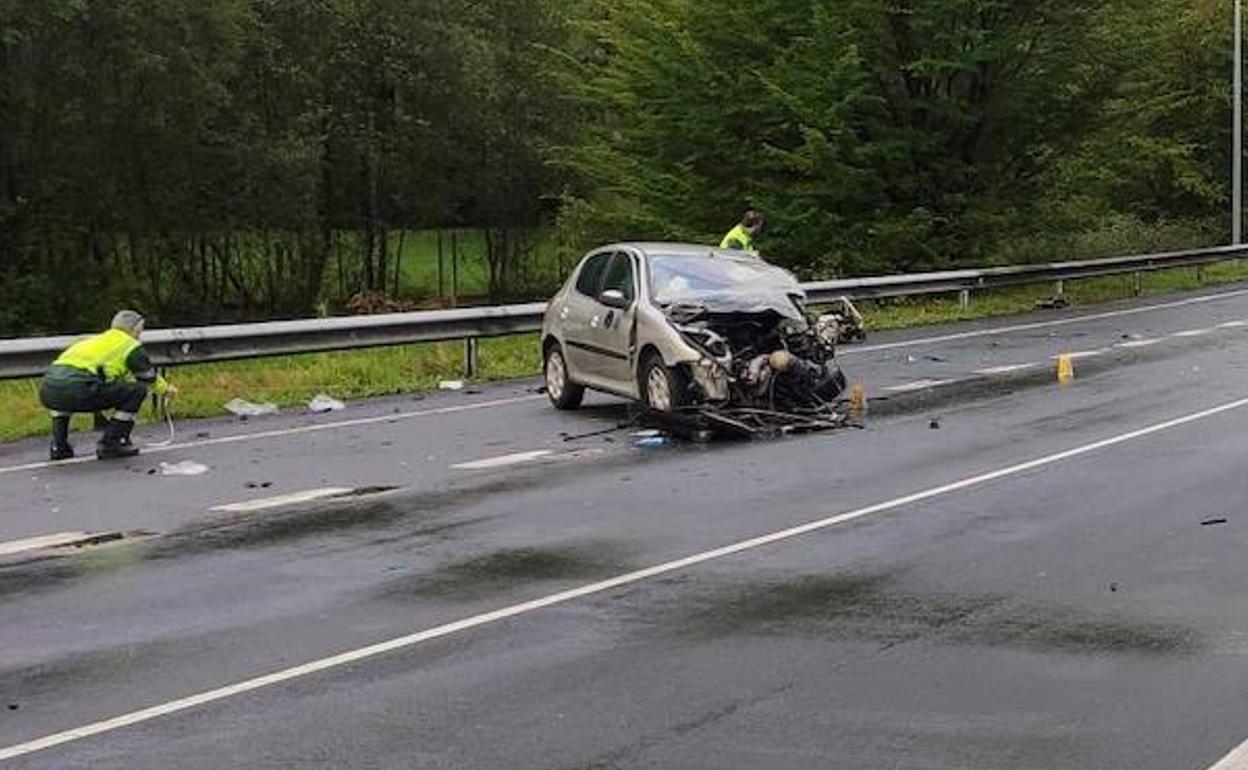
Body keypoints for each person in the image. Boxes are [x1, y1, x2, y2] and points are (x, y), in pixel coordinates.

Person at [39, 310, 177, 460]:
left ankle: (59, 446)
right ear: (135, 329)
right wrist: (165, 390)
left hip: (48, 388)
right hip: (81, 388)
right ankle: (112, 442)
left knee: (62, 397)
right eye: (141, 330)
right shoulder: (130, 345)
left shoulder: (93, 341)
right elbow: (147, 376)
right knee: (137, 391)